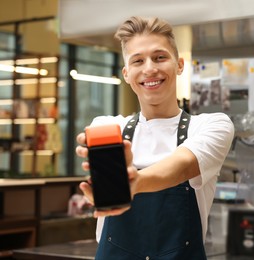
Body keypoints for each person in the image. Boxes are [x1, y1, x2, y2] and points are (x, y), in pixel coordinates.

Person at [75, 16, 234, 259]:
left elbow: (181, 166)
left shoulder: (212, 126)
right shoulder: (107, 127)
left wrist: (133, 182)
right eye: (138, 60)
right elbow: (107, 192)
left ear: (179, 65)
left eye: (160, 57)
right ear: (127, 74)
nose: (149, 68)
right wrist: (111, 183)